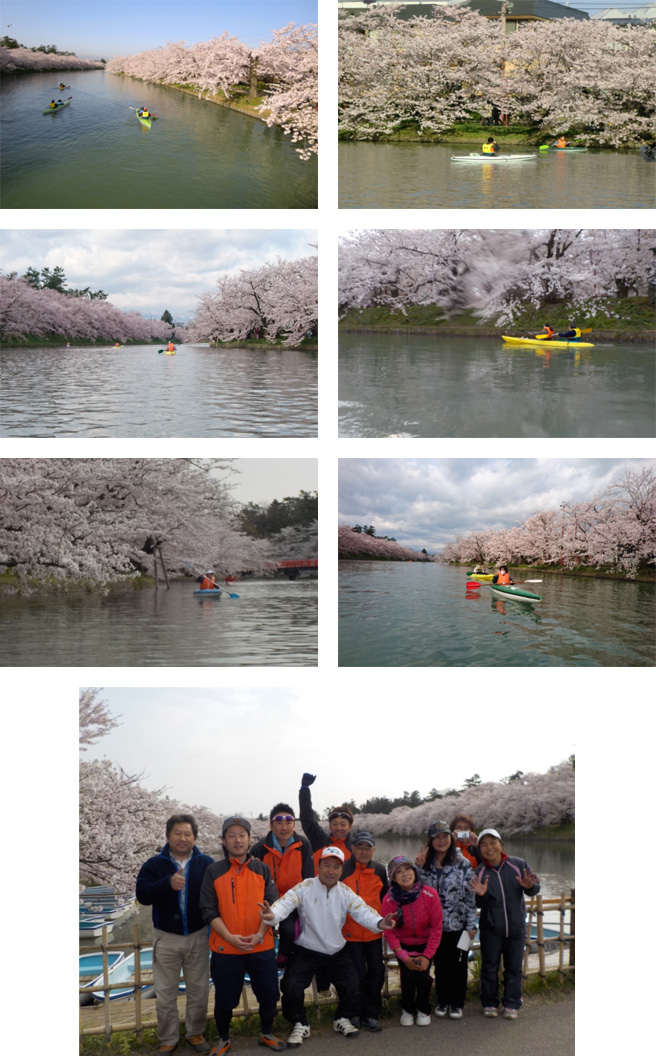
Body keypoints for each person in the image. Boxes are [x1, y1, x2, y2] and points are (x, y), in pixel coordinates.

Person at [258, 846, 397, 1048]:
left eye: (336, 867)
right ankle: (300, 1022)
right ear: (318, 866)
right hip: (307, 950)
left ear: (341, 870)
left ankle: (341, 1018)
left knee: (353, 986)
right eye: (326, 865)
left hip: (337, 950)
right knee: (291, 987)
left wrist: (379, 923)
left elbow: (363, 912)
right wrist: (272, 916)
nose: (331, 871)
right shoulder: (304, 887)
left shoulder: (345, 892)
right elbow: (284, 904)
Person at [199, 816, 285, 1054]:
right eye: (231, 835)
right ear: (223, 841)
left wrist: (259, 934)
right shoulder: (213, 871)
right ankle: (224, 1039)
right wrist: (229, 937)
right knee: (226, 1000)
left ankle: (266, 1033)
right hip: (226, 948)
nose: (237, 840)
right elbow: (208, 910)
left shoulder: (262, 869)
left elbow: (273, 906)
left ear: (249, 839)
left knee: (269, 995)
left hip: (261, 945)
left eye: (242, 835)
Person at [136, 814, 213, 1055]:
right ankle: (168, 1037)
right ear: (168, 836)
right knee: (165, 992)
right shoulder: (153, 865)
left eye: (187, 834)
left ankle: (196, 1032)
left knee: (199, 989)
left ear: (195, 837)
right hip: (166, 937)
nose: (182, 838)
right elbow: (143, 895)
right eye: (177, 833)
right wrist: (167, 884)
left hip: (199, 935)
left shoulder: (206, 863)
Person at [470, 828, 540, 1019]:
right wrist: (481, 896)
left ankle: (511, 1003)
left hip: (516, 927)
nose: (489, 848)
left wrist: (531, 887)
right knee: (489, 966)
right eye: (484, 844)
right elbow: (476, 904)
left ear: (501, 844)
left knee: (514, 967)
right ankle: (490, 1002)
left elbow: (534, 887)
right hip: (491, 929)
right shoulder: (479, 872)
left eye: (493, 842)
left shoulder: (518, 865)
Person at [416, 822, 477, 1020]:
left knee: (459, 966)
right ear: (431, 841)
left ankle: (457, 1003)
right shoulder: (425, 864)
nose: (441, 841)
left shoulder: (462, 862)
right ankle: (443, 1000)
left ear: (451, 839)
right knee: (441, 966)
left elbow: (470, 896)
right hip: (434, 927)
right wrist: (417, 867)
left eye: (445, 836)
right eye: (437, 837)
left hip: (458, 925)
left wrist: (471, 925)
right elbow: (413, 889)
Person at [381, 856, 442, 1028]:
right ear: (393, 878)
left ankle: (423, 1008)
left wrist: (427, 955)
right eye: (398, 872)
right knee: (407, 977)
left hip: (425, 944)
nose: (404, 874)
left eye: (407, 869)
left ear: (414, 871)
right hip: (404, 945)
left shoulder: (430, 894)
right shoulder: (389, 900)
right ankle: (408, 1009)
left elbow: (436, 929)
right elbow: (389, 931)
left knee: (423, 977)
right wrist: (403, 956)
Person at [250, 804, 314, 964]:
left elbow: (308, 876)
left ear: (294, 824)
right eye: (279, 823)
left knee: (289, 930)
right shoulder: (260, 848)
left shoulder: (303, 844)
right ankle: (265, 959)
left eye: (288, 823)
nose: (284, 828)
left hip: (293, 899)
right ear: (271, 825)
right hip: (267, 899)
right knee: (264, 931)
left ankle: (284, 955)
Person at [340, 832, 389, 1032]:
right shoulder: (343, 869)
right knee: (357, 974)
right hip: (350, 934)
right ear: (352, 849)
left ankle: (371, 1013)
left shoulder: (379, 870)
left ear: (374, 850)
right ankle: (355, 1012)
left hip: (374, 933)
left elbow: (386, 897)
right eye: (359, 847)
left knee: (377, 973)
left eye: (368, 848)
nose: (363, 851)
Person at [298, 773, 354, 872]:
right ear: (330, 826)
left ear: (350, 827)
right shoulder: (319, 840)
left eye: (343, 824)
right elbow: (307, 819)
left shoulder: (355, 848)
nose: (339, 828)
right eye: (335, 824)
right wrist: (305, 790)